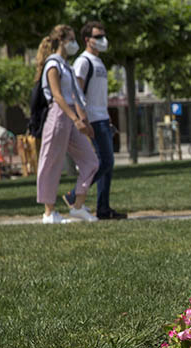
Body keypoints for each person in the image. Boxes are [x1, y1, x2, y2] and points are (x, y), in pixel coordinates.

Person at [34, 24, 99, 224]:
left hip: (71, 116)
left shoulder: (66, 66)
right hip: (58, 116)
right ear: (61, 41)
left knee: (91, 162)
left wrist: (84, 121)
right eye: (71, 39)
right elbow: (58, 97)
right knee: (51, 162)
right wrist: (75, 120)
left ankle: (78, 207)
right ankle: (49, 213)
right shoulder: (53, 65)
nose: (74, 43)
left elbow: (75, 97)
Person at [63, 20, 127, 220]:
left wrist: (107, 119)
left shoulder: (99, 62)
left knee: (107, 166)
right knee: (104, 162)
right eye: (98, 36)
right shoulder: (83, 61)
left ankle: (103, 209)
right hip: (92, 119)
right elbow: (76, 92)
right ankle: (74, 194)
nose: (102, 40)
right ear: (87, 40)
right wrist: (83, 120)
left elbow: (99, 95)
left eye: (103, 35)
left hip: (102, 118)